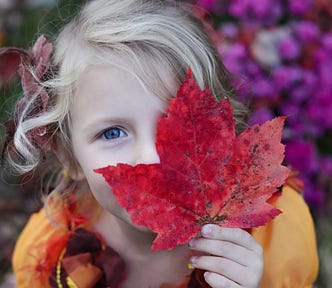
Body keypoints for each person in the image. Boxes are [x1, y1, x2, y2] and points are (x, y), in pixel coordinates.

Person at [1, 0, 318, 287]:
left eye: (177, 123)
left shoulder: (271, 242)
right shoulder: (52, 255)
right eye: (112, 133)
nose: (152, 156)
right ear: (68, 155)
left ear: (223, 129)